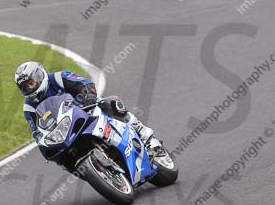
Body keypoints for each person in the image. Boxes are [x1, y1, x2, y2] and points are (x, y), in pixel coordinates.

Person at [14, 60, 166, 159]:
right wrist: (42, 142)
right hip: (64, 131)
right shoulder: (29, 107)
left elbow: (84, 84)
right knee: (60, 157)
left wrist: (88, 97)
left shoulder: (59, 78)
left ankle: (147, 138)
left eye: (31, 83)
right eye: (25, 87)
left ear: (39, 76)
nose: (29, 88)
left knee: (112, 103)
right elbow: (36, 131)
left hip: (84, 110)